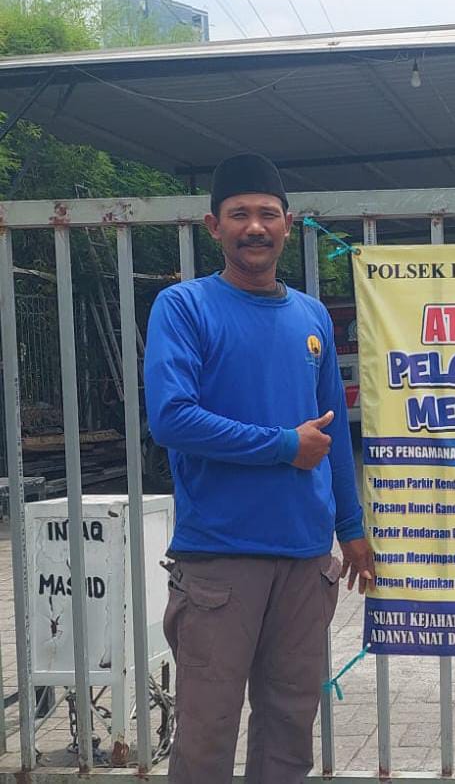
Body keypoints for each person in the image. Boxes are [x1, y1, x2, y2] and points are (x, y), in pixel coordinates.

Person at [144, 152, 374, 784]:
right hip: (220, 560)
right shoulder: (184, 307)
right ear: (212, 226)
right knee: (207, 733)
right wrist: (279, 445)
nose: (254, 226)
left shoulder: (312, 317)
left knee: (289, 727)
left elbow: (332, 433)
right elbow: (171, 418)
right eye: (239, 214)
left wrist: (351, 530)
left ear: (288, 223)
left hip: (304, 560)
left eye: (267, 214)